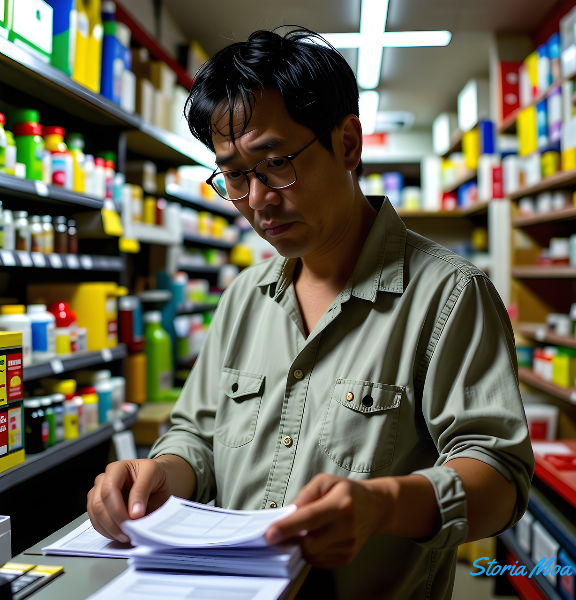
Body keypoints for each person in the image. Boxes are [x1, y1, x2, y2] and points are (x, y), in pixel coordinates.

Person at [88, 27, 534, 599]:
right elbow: (195, 435)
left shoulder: (449, 295)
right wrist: (158, 475)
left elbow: (500, 477)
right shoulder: (244, 297)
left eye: (275, 164)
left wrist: (385, 504)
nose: (257, 199)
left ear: (348, 144)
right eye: (235, 175)